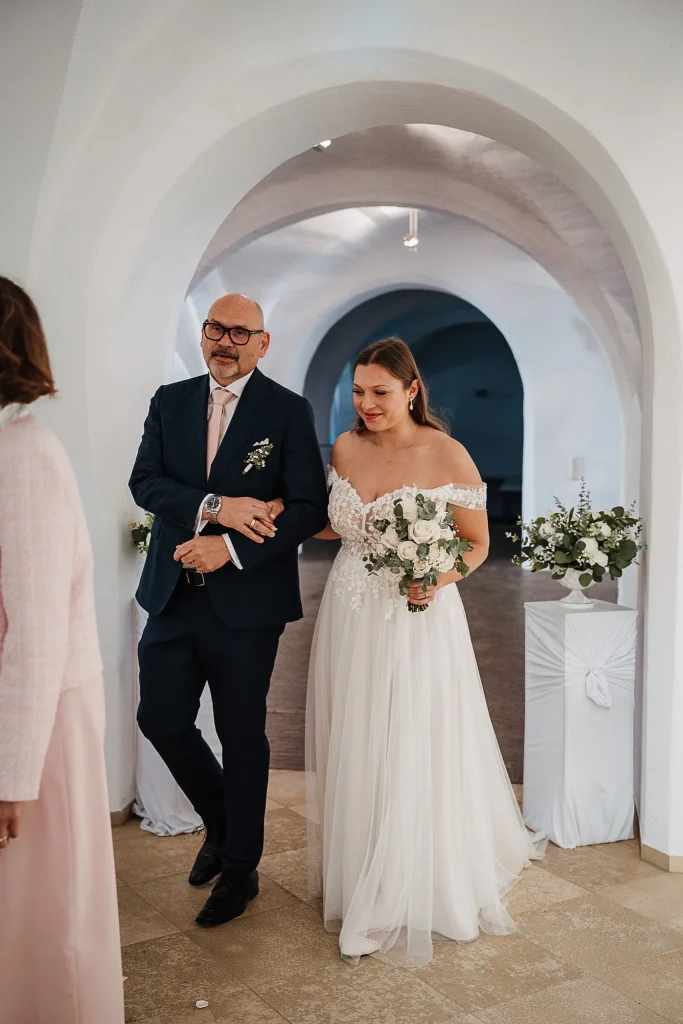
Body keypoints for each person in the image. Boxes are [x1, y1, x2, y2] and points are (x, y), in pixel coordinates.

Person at [307, 337, 545, 967]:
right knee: (357, 735)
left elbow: (475, 543)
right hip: (349, 608)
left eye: (380, 393)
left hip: (416, 613)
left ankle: (400, 885)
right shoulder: (346, 446)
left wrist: (437, 576)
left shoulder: (446, 453)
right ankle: (362, 864)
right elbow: (338, 522)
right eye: (359, 392)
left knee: (407, 735)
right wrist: (285, 512)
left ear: (411, 390)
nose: (367, 404)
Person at [130, 293, 328, 927]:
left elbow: (307, 508)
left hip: (247, 605)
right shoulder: (171, 400)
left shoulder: (288, 412)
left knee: (242, 735)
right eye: (216, 328)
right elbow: (146, 482)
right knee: (160, 717)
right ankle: (222, 822)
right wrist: (216, 506)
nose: (225, 341)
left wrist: (232, 552)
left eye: (241, 333)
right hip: (170, 592)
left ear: (263, 344)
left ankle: (241, 868)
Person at [0, 277, 125, 1022]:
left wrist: (13, 777)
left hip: (35, 720)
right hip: (22, 704)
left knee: (45, 914)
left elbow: (36, 629)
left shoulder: (23, 454)